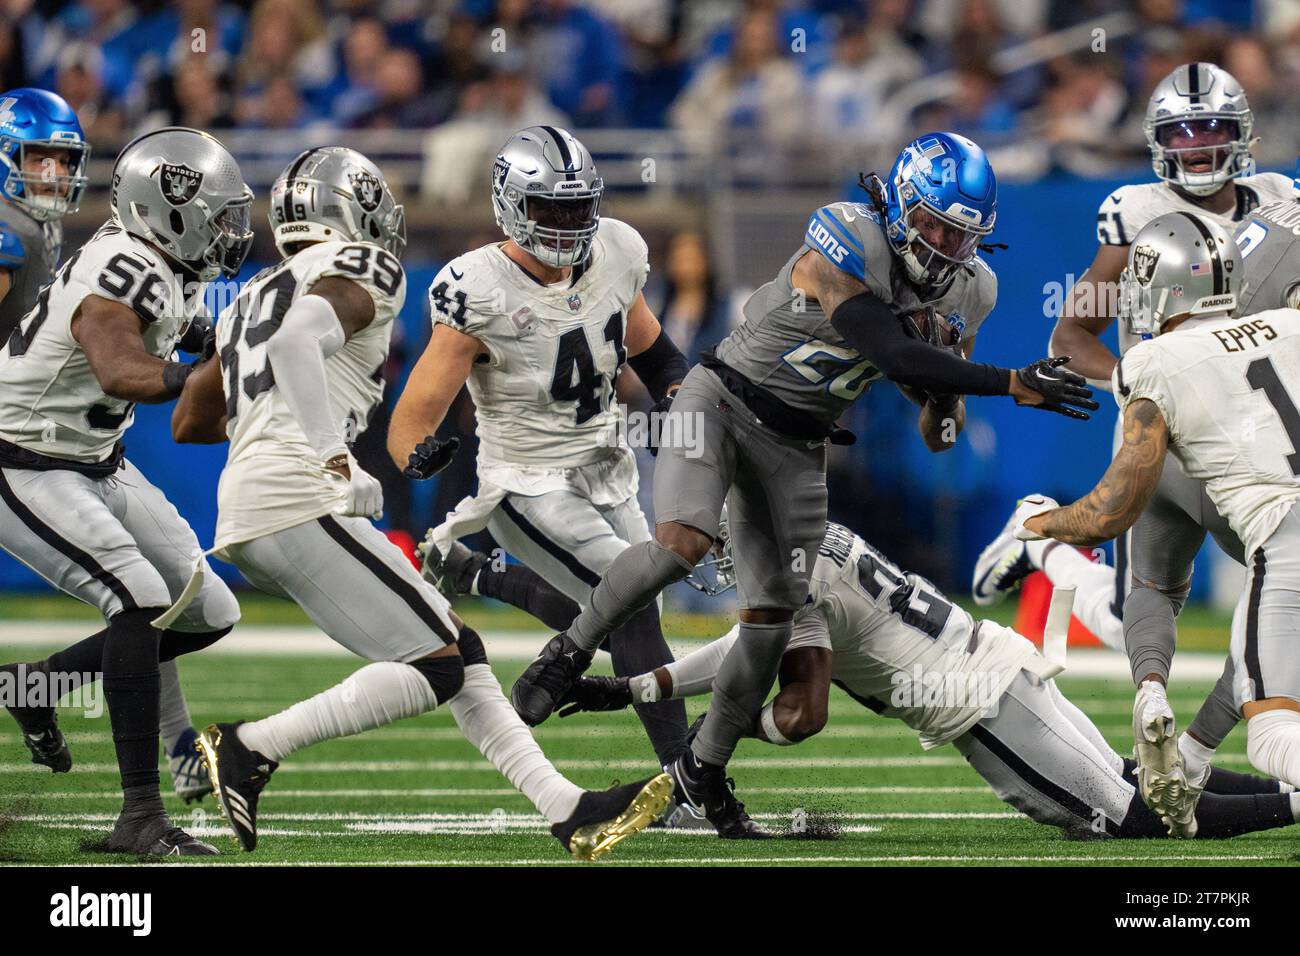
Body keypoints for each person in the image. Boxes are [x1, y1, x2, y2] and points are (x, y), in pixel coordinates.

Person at [510, 131, 1097, 838]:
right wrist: (1010, 381)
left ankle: (704, 779)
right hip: (722, 401)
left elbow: (936, 422)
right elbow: (881, 342)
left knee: (769, 624)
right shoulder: (847, 233)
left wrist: (945, 398)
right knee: (681, 543)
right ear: (902, 206)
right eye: (935, 224)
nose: (945, 245)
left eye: (962, 234)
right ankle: (567, 650)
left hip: (797, 445)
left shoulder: (975, 290)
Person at [171, 146, 673, 860]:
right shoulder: (362, 266)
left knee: (458, 651)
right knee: (436, 662)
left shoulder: (256, 290)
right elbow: (292, 346)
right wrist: (331, 452)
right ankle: (249, 747)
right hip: (298, 497)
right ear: (350, 212)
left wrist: (269, 417)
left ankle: (567, 810)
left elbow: (190, 419)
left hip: (253, 508)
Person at [560, 521, 1299, 841]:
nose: (720, 555)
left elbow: (802, 713)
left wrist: (727, 728)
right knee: (1147, 783)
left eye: (723, 540)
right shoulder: (814, 533)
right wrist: (635, 690)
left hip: (979, 704)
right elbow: (738, 646)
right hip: (998, 664)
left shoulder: (793, 577)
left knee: (1142, 818)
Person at [993, 63, 1295, 823]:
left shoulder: (1282, 202)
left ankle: (1187, 751)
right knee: (1262, 593)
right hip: (1173, 423)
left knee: (1257, 597)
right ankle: (1192, 746)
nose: (1198, 148)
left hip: (1247, 424)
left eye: (1213, 130)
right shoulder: (1133, 213)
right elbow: (1072, 331)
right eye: (1182, 133)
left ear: (1243, 135)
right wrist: (1140, 381)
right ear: (1158, 142)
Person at [388, 126, 702, 825]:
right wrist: (422, 452)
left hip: (604, 465)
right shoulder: (478, 288)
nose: (567, 224)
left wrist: (682, 403)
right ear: (510, 205)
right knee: (632, 597)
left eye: (577, 207)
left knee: (607, 612)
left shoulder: (617, 250)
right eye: (550, 209)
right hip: (526, 480)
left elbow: (656, 356)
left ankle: (481, 576)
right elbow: (412, 418)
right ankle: (689, 785)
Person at [0, 127, 253, 855]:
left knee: (209, 610)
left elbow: (200, 337)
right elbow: (121, 369)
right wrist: (202, 378)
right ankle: (141, 813)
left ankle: (35, 686)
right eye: (217, 214)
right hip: (25, 461)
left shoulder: (170, 263)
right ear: (167, 210)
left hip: (93, 458)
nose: (231, 230)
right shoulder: (123, 263)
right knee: (140, 601)